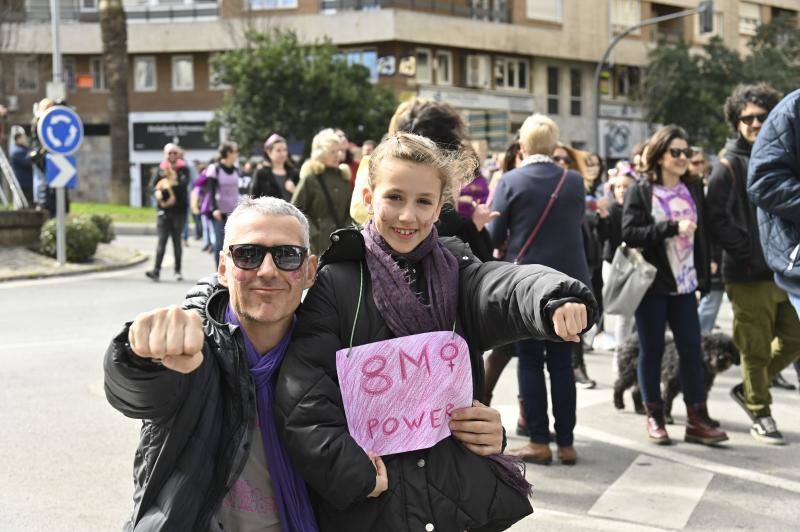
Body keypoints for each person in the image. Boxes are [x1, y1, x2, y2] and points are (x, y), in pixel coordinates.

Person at [272, 133, 595, 530]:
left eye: (423, 201)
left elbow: (503, 287)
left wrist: (554, 298)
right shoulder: (337, 284)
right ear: (370, 199)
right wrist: (354, 474)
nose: (408, 216)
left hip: (454, 502)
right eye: (395, 198)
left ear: (440, 207)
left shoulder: (458, 272)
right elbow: (303, 401)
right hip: (374, 505)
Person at [105, 196, 320, 532]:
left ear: (309, 271)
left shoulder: (329, 356)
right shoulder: (192, 349)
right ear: (222, 268)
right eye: (247, 255)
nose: (267, 270)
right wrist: (137, 354)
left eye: (287, 256)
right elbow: (136, 389)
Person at [488, 114, 594, 464]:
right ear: (555, 146)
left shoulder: (511, 181)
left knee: (531, 363)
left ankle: (538, 440)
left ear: (522, 146)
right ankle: (566, 443)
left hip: (530, 285)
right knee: (563, 363)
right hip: (571, 285)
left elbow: (494, 235)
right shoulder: (575, 181)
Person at [622, 124, 728, 446]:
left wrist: (704, 278)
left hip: (685, 286)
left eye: (686, 152)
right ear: (660, 155)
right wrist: (670, 227)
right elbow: (629, 233)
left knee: (692, 351)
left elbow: (703, 234)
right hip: (653, 286)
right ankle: (655, 415)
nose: (683, 158)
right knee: (652, 351)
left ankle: (696, 417)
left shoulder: (692, 187)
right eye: (676, 152)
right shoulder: (641, 190)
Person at [746, 87, 800, 428]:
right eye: (746, 118)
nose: (754, 123)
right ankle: (756, 403)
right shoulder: (792, 110)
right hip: (764, 269)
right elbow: (764, 182)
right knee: (755, 342)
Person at [552, 144, 599, 389]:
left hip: (577, 264)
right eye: (555, 158)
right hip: (544, 273)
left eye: (564, 159)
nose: (560, 162)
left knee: (574, 326)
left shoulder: (573, 186)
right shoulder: (538, 186)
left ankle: (578, 366)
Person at [600, 162, 637, 373]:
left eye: (626, 186)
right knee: (623, 315)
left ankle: (632, 357)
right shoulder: (612, 209)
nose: (622, 190)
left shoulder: (640, 207)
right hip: (615, 265)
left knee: (634, 316)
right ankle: (621, 359)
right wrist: (603, 218)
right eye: (618, 187)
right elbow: (605, 237)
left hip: (637, 266)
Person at [291, 128, 352, 255]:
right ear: (321, 153)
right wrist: (314, 233)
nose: (338, 155)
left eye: (339, 151)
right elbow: (295, 210)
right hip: (315, 248)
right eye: (333, 152)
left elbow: (349, 212)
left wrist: (346, 232)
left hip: (340, 245)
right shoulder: (311, 179)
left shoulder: (344, 179)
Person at [145, 143, 191, 282]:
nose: (171, 156)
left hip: (179, 211)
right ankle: (156, 270)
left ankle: (177, 271)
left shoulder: (183, 169)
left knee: (177, 241)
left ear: (178, 155)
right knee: (161, 241)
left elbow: (184, 185)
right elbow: (151, 187)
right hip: (163, 211)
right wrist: (157, 192)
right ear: (165, 154)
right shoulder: (160, 170)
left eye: (174, 153)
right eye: (169, 153)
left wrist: (170, 185)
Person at [204, 141, 242, 267]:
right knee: (220, 243)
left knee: (235, 243)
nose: (237, 154)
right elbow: (210, 190)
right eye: (235, 151)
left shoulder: (236, 169)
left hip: (235, 212)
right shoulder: (215, 169)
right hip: (219, 212)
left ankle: (232, 269)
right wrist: (214, 208)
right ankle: (219, 271)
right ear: (228, 153)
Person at [251, 134, 299, 202]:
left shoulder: (294, 173)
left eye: (285, 150)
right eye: (278, 150)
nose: (283, 153)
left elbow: (304, 200)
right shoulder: (261, 173)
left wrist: (295, 191)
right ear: (269, 152)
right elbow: (253, 199)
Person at [10, 129, 34, 206]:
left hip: (28, 182)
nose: (26, 139)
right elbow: (27, 162)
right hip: (23, 183)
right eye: (23, 137)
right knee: (26, 204)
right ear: (18, 139)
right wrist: (33, 156)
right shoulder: (17, 151)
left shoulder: (24, 149)